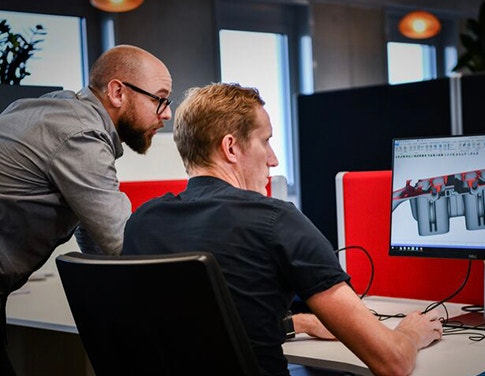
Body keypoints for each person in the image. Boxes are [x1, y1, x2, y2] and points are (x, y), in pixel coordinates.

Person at [122, 82, 443, 376]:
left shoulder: (143, 222)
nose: (274, 159)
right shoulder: (275, 221)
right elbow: (392, 362)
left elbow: (203, 324)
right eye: (266, 141)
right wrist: (409, 334)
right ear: (231, 148)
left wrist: (299, 322)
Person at [0, 44, 173, 374]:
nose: (166, 114)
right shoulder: (80, 134)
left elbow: (96, 232)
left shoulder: (55, 109)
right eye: (159, 99)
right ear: (117, 92)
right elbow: (122, 242)